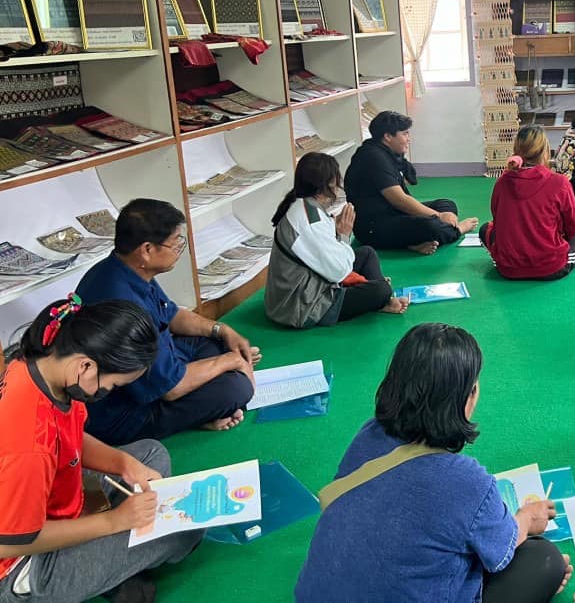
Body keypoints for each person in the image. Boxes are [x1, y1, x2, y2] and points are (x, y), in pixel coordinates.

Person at [295, 323, 571, 603]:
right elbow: (501, 552)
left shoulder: (369, 433)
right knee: (544, 558)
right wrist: (527, 518)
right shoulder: (469, 481)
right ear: (469, 395)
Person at [0, 298, 203, 603]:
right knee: (184, 531)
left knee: (150, 455)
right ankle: (110, 566)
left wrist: (124, 464)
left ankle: (111, 564)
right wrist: (115, 522)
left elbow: (69, 438)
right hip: (24, 562)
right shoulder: (29, 444)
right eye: (114, 384)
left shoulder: (42, 366)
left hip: (55, 501)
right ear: (85, 365)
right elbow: (11, 542)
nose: (109, 391)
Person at [76, 199, 257, 444]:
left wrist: (222, 329)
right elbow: (171, 388)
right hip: (124, 411)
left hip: (160, 366)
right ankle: (201, 413)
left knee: (217, 343)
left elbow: (171, 314)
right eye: (176, 243)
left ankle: (206, 406)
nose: (179, 249)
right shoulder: (122, 301)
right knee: (236, 389)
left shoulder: (123, 269)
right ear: (147, 250)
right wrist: (230, 361)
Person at [265, 152, 408, 328]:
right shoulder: (310, 220)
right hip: (301, 307)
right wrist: (344, 235)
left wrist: (336, 233)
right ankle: (382, 299)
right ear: (328, 184)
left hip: (310, 282)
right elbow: (339, 272)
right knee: (381, 290)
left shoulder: (304, 204)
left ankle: (383, 300)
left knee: (367, 253)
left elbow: (325, 252)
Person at [344, 110, 478, 255]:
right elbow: (399, 200)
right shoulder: (373, 157)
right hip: (373, 228)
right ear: (388, 136)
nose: (409, 139)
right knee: (432, 226)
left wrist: (441, 214)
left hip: (393, 214)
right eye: (405, 134)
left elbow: (411, 179)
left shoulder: (387, 152)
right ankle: (456, 230)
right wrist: (439, 217)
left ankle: (413, 242)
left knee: (446, 204)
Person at [480, 125, 575, 280]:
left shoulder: (502, 182)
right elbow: (572, 229)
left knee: (485, 229)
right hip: (550, 267)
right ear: (545, 151)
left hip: (507, 268)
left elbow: (497, 220)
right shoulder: (559, 182)